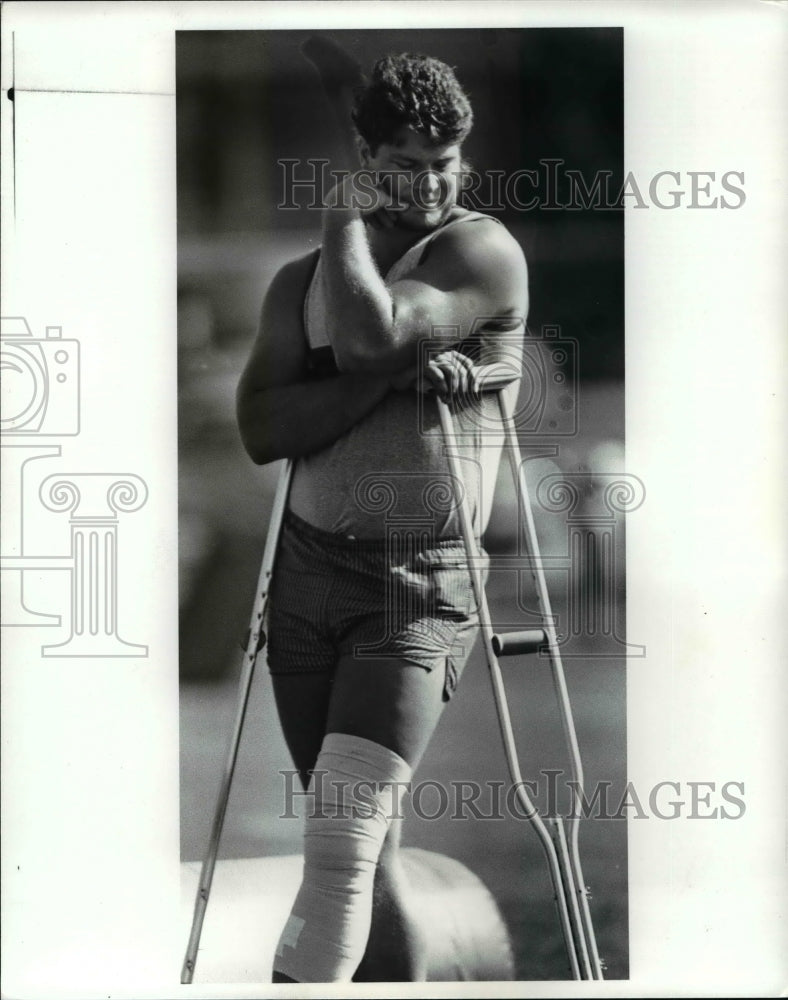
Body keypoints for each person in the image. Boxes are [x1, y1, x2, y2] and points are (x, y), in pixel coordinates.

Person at [236, 52, 528, 983]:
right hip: (310, 573)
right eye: (408, 162)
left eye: (449, 159)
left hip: (420, 582)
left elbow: (368, 336)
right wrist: (385, 383)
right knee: (365, 846)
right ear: (367, 156)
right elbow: (261, 427)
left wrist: (338, 217)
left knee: (338, 850)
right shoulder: (298, 283)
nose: (436, 181)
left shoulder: (481, 250)